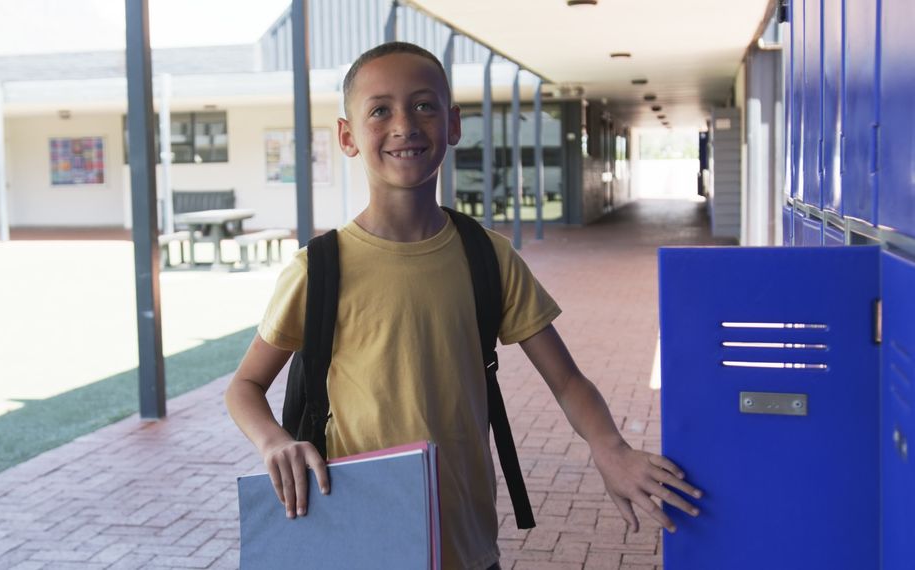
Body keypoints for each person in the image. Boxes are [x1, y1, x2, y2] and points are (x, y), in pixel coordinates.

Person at [224, 41, 701, 570]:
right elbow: (245, 387)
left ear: (453, 125)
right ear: (347, 136)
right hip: (356, 540)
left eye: (424, 105)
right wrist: (273, 443)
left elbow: (566, 381)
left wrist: (609, 446)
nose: (404, 124)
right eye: (379, 110)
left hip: (467, 544)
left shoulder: (486, 256)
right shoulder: (320, 268)